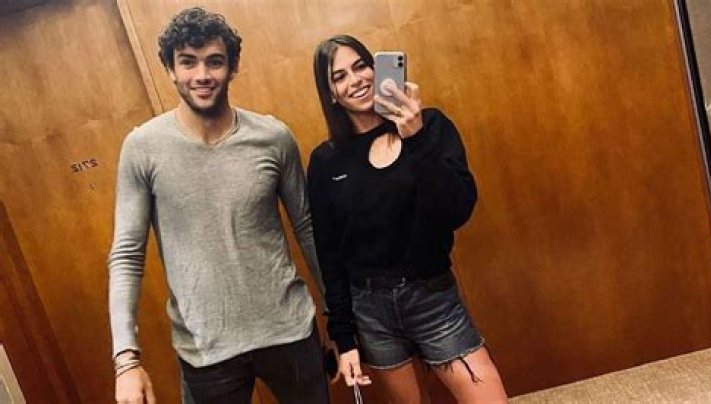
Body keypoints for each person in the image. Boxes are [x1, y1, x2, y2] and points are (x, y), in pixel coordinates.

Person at [108, 7, 328, 404]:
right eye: (187, 62)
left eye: (214, 61)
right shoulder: (142, 148)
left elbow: (308, 228)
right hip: (206, 350)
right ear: (171, 69)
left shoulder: (273, 137)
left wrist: (339, 317)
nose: (202, 75)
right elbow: (126, 255)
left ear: (233, 66)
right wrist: (126, 360)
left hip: (290, 332)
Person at [308, 35, 508, 403]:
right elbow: (330, 256)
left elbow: (456, 209)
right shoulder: (325, 161)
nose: (355, 80)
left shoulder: (430, 126)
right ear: (331, 94)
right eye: (339, 76)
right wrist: (345, 339)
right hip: (370, 312)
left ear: (377, 68)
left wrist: (416, 139)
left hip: (432, 297)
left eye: (360, 66)